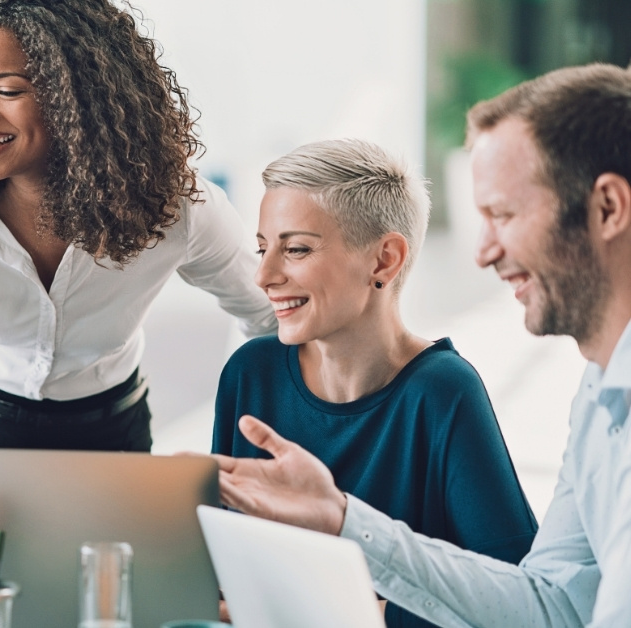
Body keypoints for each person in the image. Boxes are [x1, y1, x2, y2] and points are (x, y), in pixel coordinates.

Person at [214, 63, 631, 627]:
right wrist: (342, 519)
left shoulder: (445, 388)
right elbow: (550, 607)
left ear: (608, 209)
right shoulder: (600, 398)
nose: (482, 253)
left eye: (503, 214)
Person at [0, 0, 277, 450]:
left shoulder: (174, 205)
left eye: (7, 90)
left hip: (111, 432)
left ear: (78, 98)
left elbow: (269, 317)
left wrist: (244, 421)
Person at [212, 138, 537, 627]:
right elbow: (214, 566)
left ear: (384, 260)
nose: (264, 275)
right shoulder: (250, 373)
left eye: (295, 249)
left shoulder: (443, 392)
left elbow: (518, 603)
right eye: (262, 249)